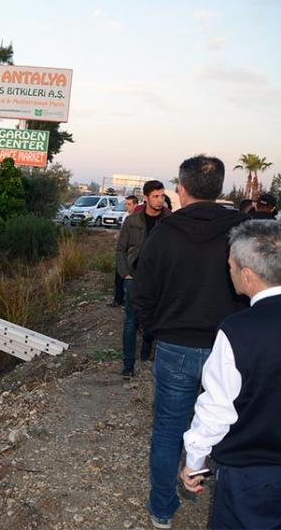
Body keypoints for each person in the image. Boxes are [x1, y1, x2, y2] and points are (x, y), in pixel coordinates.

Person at [133, 155, 249, 529]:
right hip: (232, 347)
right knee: (234, 425)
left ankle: (162, 511)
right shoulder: (245, 231)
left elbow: (142, 294)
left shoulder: (164, 233)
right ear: (220, 190)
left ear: (181, 190)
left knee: (169, 430)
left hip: (176, 346)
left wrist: (156, 330)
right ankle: (234, 505)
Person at [180, 220, 281, 529]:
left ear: (248, 275)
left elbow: (216, 409)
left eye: (231, 266)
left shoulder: (238, 331)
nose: (230, 272)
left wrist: (194, 464)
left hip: (253, 476)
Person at [115, 184, 168, 377]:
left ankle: (148, 343)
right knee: (131, 321)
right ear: (146, 198)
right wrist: (125, 273)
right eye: (155, 196)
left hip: (159, 280)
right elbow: (120, 249)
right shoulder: (132, 221)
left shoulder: (169, 221)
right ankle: (128, 365)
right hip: (134, 277)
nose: (160, 200)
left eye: (162, 196)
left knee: (155, 320)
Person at [110, 195, 139, 308]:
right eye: (126, 204)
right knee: (118, 276)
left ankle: (128, 302)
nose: (126, 206)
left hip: (131, 253)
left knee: (130, 278)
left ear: (136, 205)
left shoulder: (138, 220)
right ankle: (118, 299)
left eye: (129, 204)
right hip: (122, 252)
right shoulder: (126, 216)